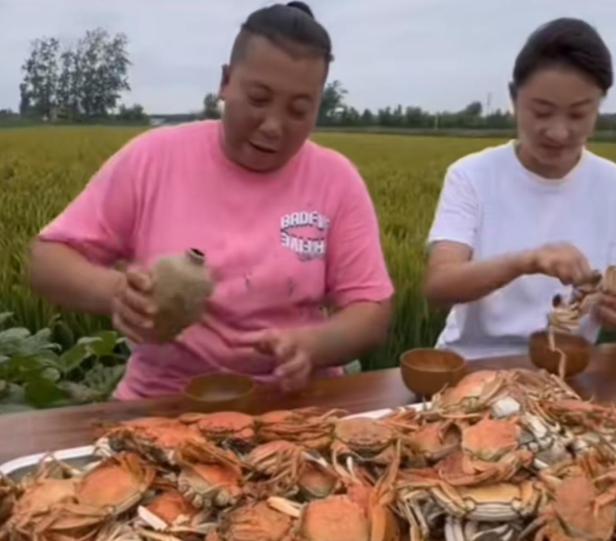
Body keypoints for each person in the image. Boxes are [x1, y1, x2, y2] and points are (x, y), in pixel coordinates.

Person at [27, 2, 394, 398]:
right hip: (164, 402)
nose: (272, 126)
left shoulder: (335, 179)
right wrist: (117, 293)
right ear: (225, 81)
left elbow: (370, 309)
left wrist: (312, 346)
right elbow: (46, 259)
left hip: (291, 404)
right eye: (257, 99)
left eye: (298, 110)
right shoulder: (154, 158)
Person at [424, 17, 616, 360]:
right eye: (541, 112)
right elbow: (439, 287)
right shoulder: (471, 175)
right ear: (514, 99)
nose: (558, 132)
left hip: (568, 369)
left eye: (577, 115)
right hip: (471, 365)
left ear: (599, 106)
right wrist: (526, 261)